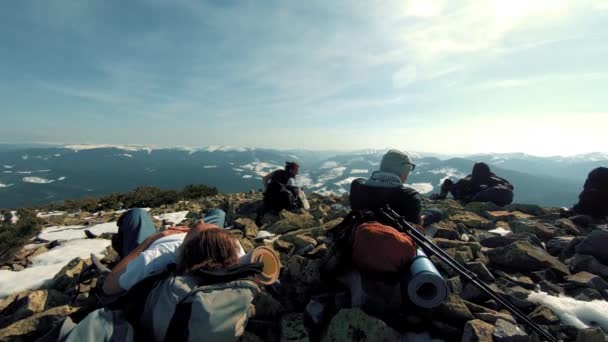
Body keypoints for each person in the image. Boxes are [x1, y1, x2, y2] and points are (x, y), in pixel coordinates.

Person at [103, 208, 245, 296]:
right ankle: (207, 228)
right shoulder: (233, 248)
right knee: (218, 213)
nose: (201, 221)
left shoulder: (156, 256)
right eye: (215, 228)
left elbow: (108, 287)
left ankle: (124, 241)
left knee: (137, 214)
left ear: (187, 244)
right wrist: (194, 231)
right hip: (201, 241)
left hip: (157, 241)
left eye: (195, 227)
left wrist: (152, 239)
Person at [350, 149, 421, 224]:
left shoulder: (357, 186)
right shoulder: (410, 196)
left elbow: (360, 180)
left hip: (359, 231)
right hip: (393, 234)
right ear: (403, 172)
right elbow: (417, 228)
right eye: (408, 170)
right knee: (432, 213)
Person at [431, 162, 514, 206]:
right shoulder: (492, 178)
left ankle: (441, 196)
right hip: (472, 193)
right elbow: (509, 186)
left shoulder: (466, 181)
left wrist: (441, 196)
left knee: (450, 184)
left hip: (471, 194)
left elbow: (448, 184)